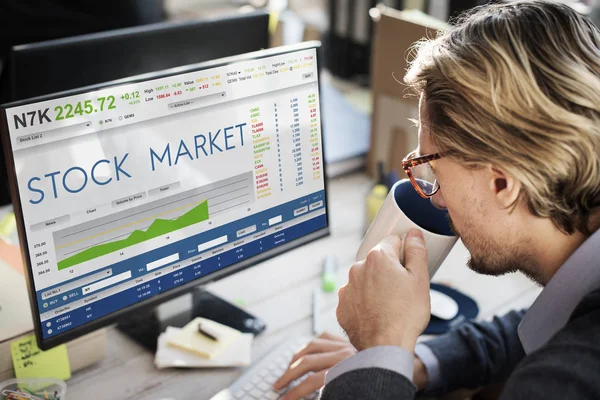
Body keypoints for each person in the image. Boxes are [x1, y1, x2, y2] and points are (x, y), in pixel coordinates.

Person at [273, 0, 600, 398]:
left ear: (503, 184)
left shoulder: (567, 382)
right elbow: (539, 328)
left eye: (433, 170)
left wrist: (381, 348)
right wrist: (409, 362)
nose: (437, 199)